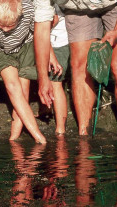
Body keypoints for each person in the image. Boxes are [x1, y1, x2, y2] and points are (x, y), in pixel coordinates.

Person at [34, 0, 117, 139]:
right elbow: (41, 29)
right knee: (79, 66)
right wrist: (43, 78)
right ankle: (84, 137)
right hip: (77, 8)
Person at [0, 0, 46, 143]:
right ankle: (39, 137)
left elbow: (42, 34)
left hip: (26, 45)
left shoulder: (28, 10)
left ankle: (14, 138)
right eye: (2, 26)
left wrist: (51, 57)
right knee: (12, 86)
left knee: (23, 92)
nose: (6, 30)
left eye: (10, 26)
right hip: (3, 51)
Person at [47, 4, 70, 135]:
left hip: (57, 41)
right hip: (49, 39)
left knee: (56, 82)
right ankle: (46, 108)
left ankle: (60, 129)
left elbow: (52, 20)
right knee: (46, 77)